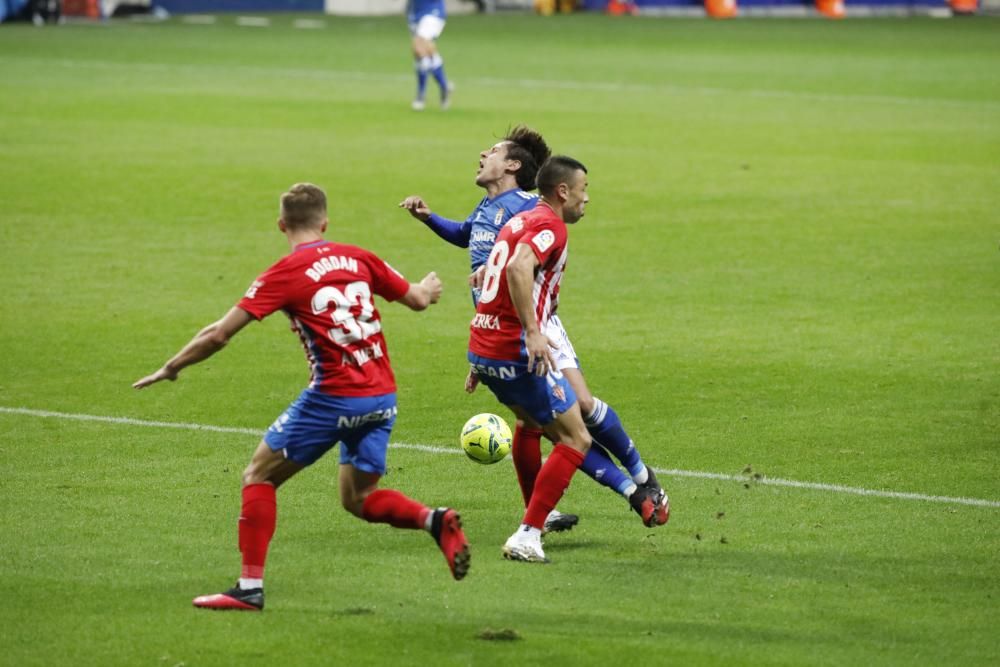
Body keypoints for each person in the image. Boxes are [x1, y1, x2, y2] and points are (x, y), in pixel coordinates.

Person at [133, 183, 470, 610]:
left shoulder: (284, 273)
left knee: (258, 476)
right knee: (357, 499)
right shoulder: (359, 256)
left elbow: (219, 334)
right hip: (382, 398)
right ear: (325, 223)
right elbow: (420, 299)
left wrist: (172, 367)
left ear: (281, 225)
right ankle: (434, 520)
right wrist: (428, 285)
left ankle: (249, 589)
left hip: (333, 398)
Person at [399, 129, 669, 541]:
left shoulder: (529, 207)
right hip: (502, 328)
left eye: (492, 151)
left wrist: (511, 301)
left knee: (578, 408)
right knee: (536, 424)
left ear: (513, 166)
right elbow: (471, 237)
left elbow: (521, 261)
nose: (482, 153)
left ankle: (637, 479)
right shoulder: (488, 205)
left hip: (534, 325)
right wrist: (430, 219)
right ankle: (541, 513)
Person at [466, 156, 663, 563]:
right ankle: (528, 534)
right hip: (515, 348)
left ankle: (633, 492)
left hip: (484, 344)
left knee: (545, 425)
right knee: (575, 437)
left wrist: (482, 353)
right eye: (584, 190)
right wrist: (534, 333)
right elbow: (519, 268)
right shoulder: (549, 225)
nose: (586, 199)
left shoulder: (518, 221)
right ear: (563, 191)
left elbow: (489, 277)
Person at [406, 0, 452, 111]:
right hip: (415, 11)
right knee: (422, 54)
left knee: (420, 44)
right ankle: (444, 85)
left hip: (433, 11)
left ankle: (420, 96)